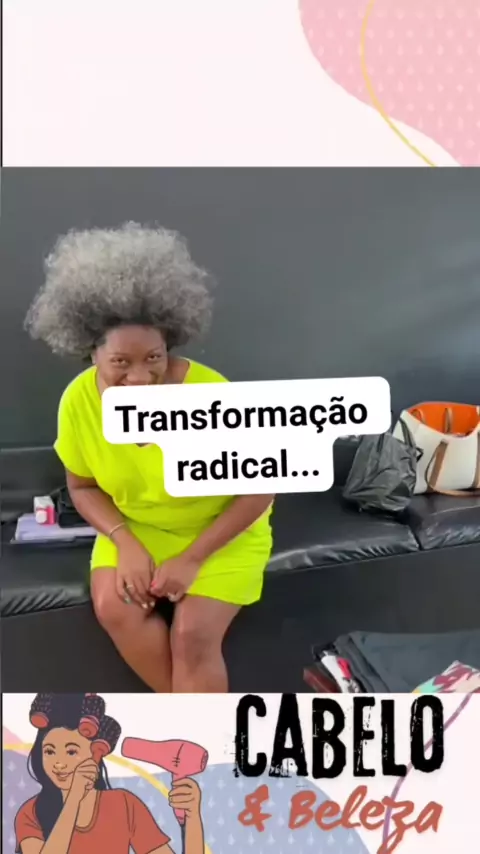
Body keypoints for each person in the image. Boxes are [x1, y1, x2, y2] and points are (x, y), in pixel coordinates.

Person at [25, 222, 274, 693]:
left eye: (154, 358)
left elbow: (260, 490)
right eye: (121, 362)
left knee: (192, 635)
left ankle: (194, 732)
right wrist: (125, 542)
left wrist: (193, 559)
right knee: (115, 608)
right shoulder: (78, 402)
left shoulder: (211, 392)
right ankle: (194, 727)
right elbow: (82, 487)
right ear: (92, 353)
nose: (140, 377)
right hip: (135, 528)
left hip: (219, 533)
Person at [15, 693, 204, 854]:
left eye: (71, 752)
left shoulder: (123, 805)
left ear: (96, 752)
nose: (58, 763)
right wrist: (73, 800)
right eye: (49, 751)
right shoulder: (30, 814)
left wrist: (192, 817)